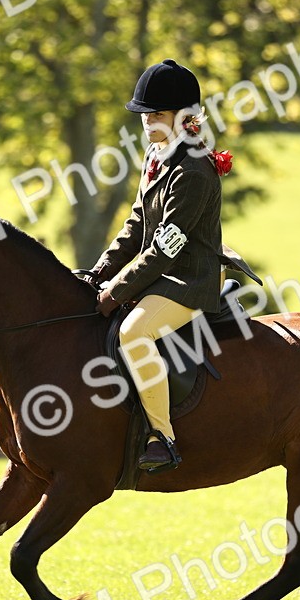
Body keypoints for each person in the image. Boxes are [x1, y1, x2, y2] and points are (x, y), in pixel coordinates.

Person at [86, 59, 236, 474]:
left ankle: (162, 436)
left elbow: (166, 247)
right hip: (162, 276)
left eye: (158, 115)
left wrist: (116, 290)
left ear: (184, 118)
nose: (148, 123)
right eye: (146, 115)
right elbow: (137, 224)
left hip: (190, 279)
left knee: (135, 332)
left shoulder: (193, 170)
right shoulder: (157, 155)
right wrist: (99, 272)